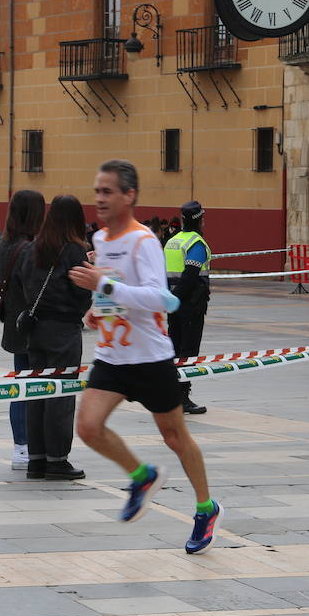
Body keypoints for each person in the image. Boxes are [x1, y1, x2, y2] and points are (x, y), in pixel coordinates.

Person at [70, 159, 221, 554]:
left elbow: (163, 299)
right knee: (87, 427)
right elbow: (115, 291)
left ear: (129, 195)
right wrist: (96, 305)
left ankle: (206, 508)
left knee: (174, 436)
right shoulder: (101, 240)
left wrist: (103, 284)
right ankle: (142, 476)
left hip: (150, 356)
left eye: (107, 191)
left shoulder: (144, 241)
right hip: (112, 355)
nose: (99, 198)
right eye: (97, 191)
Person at [14, 195, 91, 481]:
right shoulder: (73, 250)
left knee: (37, 393)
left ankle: (37, 459)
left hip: (35, 329)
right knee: (60, 394)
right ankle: (57, 459)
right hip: (63, 330)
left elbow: (21, 282)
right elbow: (83, 292)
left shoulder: (33, 248)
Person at [0, 190, 46, 470]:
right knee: (35, 388)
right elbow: (35, 290)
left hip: (14, 324)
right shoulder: (29, 247)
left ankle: (21, 446)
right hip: (31, 325)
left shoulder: (7, 243)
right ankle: (27, 447)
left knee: (21, 387)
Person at [164, 201, 212, 415]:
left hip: (172, 305)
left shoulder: (172, 242)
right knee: (188, 353)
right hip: (191, 305)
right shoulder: (196, 244)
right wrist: (177, 299)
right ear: (199, 219)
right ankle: (182, 396)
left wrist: (169, 300)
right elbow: (190, 277)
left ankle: (172, 396)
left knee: (174, 349)